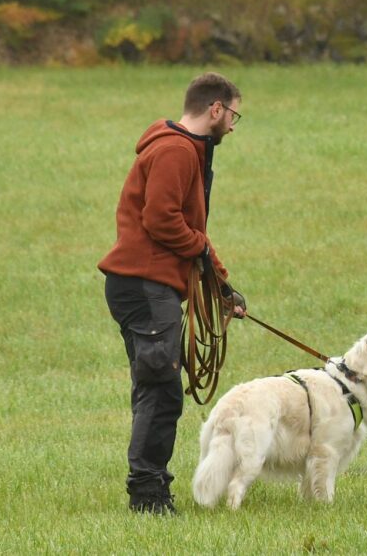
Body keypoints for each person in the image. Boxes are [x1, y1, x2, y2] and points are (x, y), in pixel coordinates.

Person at [98, 72, 247, 515]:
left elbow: (193, 234)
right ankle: (147, 495)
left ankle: (151, 484)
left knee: (157, 386)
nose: (234, 126)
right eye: (235, 114)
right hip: (144, 285)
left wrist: (223, 287)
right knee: (161, 387)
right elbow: (162, 221)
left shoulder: (187, 150)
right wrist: (201, 250)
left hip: (147, 284)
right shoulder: (175, 150)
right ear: (215, 109)